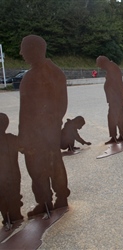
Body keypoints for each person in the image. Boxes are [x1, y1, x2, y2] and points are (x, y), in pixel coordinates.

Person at [18, 35, 70, 217]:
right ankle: (49, 199)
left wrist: (50, 123)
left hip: (41, 131)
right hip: (41, 130)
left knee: (44, 163)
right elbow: (25, 111)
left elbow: (26, 111)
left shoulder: (40, 75)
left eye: (24, 49)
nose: (21, 53)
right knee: (43, 163)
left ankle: (54, 198)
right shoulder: (50, 73)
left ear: (35, 50)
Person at [96, 56, 123, 145]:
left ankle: (119, 136)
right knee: (115, 116)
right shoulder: (110, 68)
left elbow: (119, 83)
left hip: (116, 98)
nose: (100, 68)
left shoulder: (113, 68)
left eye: (100, 65)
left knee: (116, 116)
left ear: (103, 62)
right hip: (113, 98)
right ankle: (115, 136)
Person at [0, 113, 23, 225]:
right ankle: (16, 216)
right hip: (14, 174)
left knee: (2, 197)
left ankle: (6, 217)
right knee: (14, 194)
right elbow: (25, 149)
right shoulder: (12, 139)